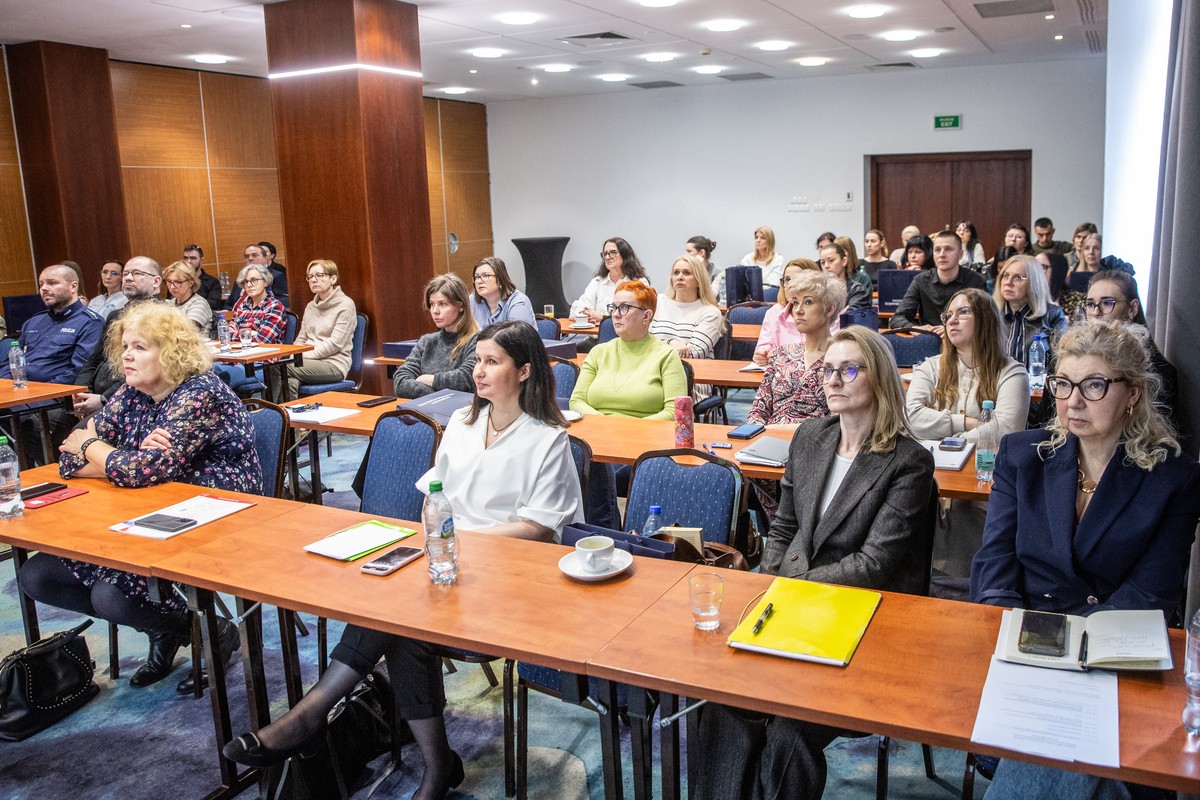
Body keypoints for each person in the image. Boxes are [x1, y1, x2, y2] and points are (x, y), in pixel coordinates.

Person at [224, 322, 584, 797]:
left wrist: (457, 539)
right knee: (396, 613)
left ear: (524, 371)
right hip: (446, 561)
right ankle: (432, 764)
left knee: (400, 615)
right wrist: (438, 536)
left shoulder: (547, 438)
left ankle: (312, 718)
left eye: (492, 362)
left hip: (510, 576)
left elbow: (538, 528)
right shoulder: (464, 422)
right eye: (477, 360)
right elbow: (434, 492)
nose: (478, 371)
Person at [694, 325, 936, 800]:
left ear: (880, 377)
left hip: (863, 615)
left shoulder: (909, 461)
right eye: (828, 370)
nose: (833, 380)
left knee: (789, 728)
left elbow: (872, 564)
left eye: (849, 370)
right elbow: (783, 527)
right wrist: (772, 581)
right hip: (793, 602)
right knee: (723, 699)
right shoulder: (810, 437)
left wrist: (792, 586)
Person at [970, 322, 1200, 800]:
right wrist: (1017, 635)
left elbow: (1153, 591)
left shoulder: (1173, 477)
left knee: (1065, 744)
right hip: (1027, 644)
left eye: (1094, 385)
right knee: (1096, 766)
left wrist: (1075, 653)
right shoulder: (1022, 455)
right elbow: (994, 564)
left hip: (1118, 652)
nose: (1073, 401)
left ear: (1133, 393)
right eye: (1063, 384)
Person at [17, 303, 261, 691]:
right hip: (142, 507)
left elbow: (132, 468)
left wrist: (98, 449)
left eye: (140, 347)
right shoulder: (132, 393)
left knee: (111, 596)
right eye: (126, 346)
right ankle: (164, 628)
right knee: (38, 576)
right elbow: (69, 457)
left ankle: (213, 631)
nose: (127, 355)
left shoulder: (201, 393)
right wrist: (124, 459)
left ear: (171, 352)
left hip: (214, 512)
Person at [571, 281, 687, 527]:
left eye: (624, 307)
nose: (615, 314)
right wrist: (605, 424)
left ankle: (603, 534)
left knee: (595, 471)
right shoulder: (599, 352)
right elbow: (577, 400)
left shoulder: (666, 355)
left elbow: (673, 413)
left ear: (647, 316)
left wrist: (624, 429)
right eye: (613, 307)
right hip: (597, 437)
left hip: (642, 445)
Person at [906, 288, 1030, 442]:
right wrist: (969, 423)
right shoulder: (929, 367)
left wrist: (944, 434)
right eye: (948, 315)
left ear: (986, 319)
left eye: (963, 312)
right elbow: (910, 418)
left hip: (983, 459)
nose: (952, 321)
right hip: (933, 457)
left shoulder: (1012, 373)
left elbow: (1006, 431)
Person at [71, 257, 165, 423]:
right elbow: (95, 359)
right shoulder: (115, 316)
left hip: (134, 398)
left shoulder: (165, 317)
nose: (128, 278)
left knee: (79, 431)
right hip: (97, 393)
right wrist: (80, 392)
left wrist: (103, 399)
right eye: (126, 274)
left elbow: (150, 371)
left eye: (136, 273)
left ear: (156, 281)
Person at [747, 271, 844, 428]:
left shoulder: (841, 359)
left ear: (829, 310)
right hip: (769, 437)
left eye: (808, 302)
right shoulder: (781, 354)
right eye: (795, 302)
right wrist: (756, 433)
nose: (798, 310)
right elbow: (758, 411)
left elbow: (839, 421)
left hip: (816, 439)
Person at [1084, 270, 1177, 422]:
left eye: (1107, 303)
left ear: (1132, 308)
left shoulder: (1159, 372)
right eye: (1090, 304)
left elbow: (1158, 431)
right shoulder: (1071, 360)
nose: (1095, 312)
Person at [280, 259, 358, 402]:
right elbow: (301, 338)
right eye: (310, 277)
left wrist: (302, 356)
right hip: (306, 362)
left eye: (319, 275)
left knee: (278, 368)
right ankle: (289, 415)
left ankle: (272, 412)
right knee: (289, 381)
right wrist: (295, 354)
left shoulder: (346, 305)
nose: (313, 280)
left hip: (334, 364)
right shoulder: (311, 306)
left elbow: (335, 343)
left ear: (333, 279)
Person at [394, 273, 479, 399]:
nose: (435, 311)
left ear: (461, 306)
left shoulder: (478, 340)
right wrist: (441, 394)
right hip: (424, 408)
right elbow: (401, 382)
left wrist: (428, 379)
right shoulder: (427, 341)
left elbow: (465, 380)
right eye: (432, 304)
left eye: (443, 304)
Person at [889, 230, 987, 333]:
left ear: (960, 254)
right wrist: (915, 328)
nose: (941, 254)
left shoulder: (975, 281)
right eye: (937, 250)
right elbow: (897, 318)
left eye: (948, 249)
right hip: (929, 338)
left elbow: (984, 319)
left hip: (962, 338)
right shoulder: (921, 280)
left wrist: (951, 329)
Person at [216, 262, 287, 393]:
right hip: (237, 359)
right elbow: (226, 335)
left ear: (265, 282)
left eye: (254, 280)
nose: (249, 285)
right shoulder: (243, 306)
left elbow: (261, 340)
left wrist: (239, 333)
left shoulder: (274, 307)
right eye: (246, 282)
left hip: (262, 364)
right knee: (207, 370)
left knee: (222, 379)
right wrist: (249, 333)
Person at [992, 254, 1066, 367]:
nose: (1008, 282)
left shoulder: (1053, 315)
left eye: (1017, 277)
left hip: (1038, 378)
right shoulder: (991, 314)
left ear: (1034, 282)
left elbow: (1063, 360)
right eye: (1006, 276)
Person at [649, 255, 725, 360]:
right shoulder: (657, 302)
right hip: (652, 365)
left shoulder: (710, 312)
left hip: (689, 368)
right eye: (676, 272)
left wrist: (655, 348)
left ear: (699, 281)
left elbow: (694, 354)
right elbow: (640, 342)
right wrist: (670, 342)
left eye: (687, 273)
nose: (679, 277)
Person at [752, 258, 820, 366]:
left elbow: (830, 351)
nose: (790, 285)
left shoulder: (825, 312)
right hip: (781, 373)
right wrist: (762, 355)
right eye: (787, 279)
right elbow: (764, 347)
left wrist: (784, 355)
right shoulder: (774, 312)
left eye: (797, 279)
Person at [569, 237, 650, 324]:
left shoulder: (639, 283)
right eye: (605, 254)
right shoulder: (597, 282)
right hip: (597, 332)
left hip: (629, 333)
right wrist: (586, 317)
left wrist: (601, 317)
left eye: (613, 253)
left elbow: (639, 316)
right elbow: (577, 311)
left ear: (625, 255)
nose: (607, 257)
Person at [469, 256, 535, 329]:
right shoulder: (472, 300)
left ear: (500, 279)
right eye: (477, 277)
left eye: (486, 275)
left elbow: (517, 335)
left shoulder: (518, 301)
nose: (479, 281)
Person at [225, 243, 289, 309]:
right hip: (234, 313)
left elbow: (285, 300)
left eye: (254, 255)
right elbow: (230, 301)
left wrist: (258, 306)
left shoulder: (276, 276)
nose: (250, 258)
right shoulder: (242, 277)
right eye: (247, 256)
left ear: (265, 258)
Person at [163, 260, 212, 334]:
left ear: (190, 283)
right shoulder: (169, 303)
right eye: (169, 282)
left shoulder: (199, 304)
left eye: (178, 282)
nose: (172, 287)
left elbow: (186, 332)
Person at [819, 242, 870, 310]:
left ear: (844, 261)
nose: (826, 266)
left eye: (831, 260)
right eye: (823, 262)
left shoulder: (857, 290)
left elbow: (850, 315)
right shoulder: (818, 290)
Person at [182, 244, 224, 312]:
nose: (189, 261)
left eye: (193, 258)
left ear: (201, 260)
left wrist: (190, 303)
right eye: (186, 258)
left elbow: (214, 304)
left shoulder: (212, 282)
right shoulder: (176, 281)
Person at [257, 240, 290, 308]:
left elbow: (284, 297)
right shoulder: (248, 273)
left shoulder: (278, 271)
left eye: (264, 252)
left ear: (272, 255)